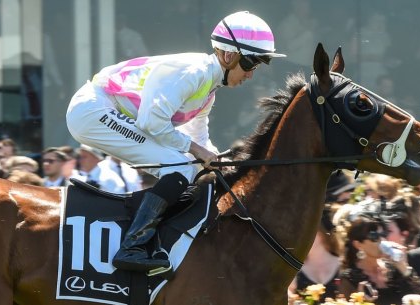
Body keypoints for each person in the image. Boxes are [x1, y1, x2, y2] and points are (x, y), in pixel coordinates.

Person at [66, 11, 285, 272]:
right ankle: (132, 247)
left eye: (256, 66)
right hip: (92, 111)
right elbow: (151, 123)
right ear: (228, 55)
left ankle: (156, 235)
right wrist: (196, 150)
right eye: (250, 64)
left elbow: (200, 139)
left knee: (190, 167)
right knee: (179, 165)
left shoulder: (208, 90)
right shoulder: (194, 73)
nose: (251, 74)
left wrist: (221, 164)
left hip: (102, 111)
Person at [339, 214, 420, 305]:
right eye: (374, 236)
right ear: (358, 244)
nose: (381, 240)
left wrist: (404, 269)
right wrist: (362, 302)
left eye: (383, 234)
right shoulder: (350, 279)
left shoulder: (394, 268)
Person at [288, 207, 341, 301]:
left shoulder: (343, 266)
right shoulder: (292, 270)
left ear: (322, 233)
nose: (301, 238)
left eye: (307, 232)